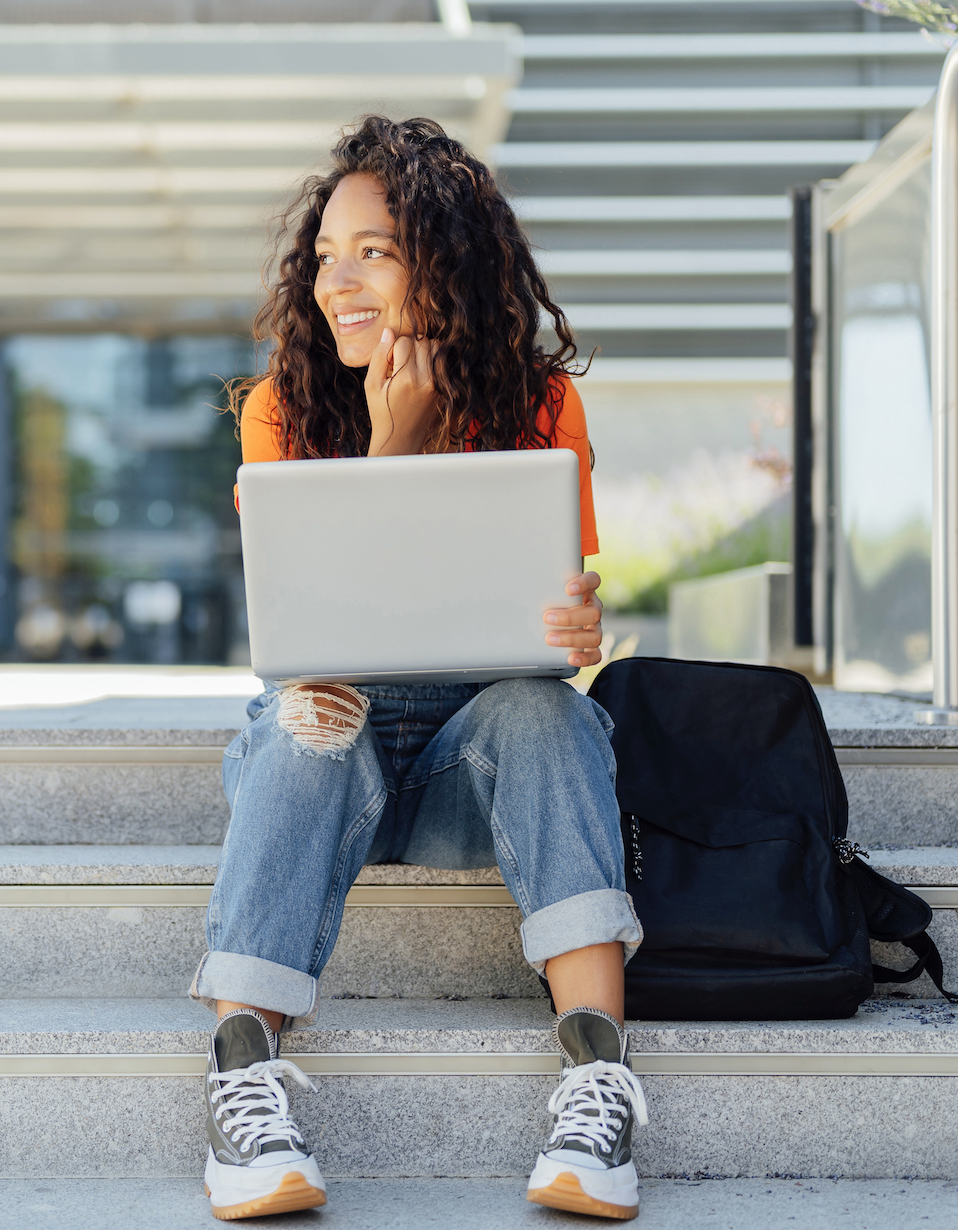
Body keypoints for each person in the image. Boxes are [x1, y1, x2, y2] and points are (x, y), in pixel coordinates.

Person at [195, 115, 646, 1222]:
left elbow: (557, 603)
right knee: (309, 713)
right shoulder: (282, 410)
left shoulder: (542, 407)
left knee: (545, 710)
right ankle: (243, 1085)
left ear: (443, 262)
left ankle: (599, 1089)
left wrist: (576, 623)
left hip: (465, 778)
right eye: (323, 258)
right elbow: (317, 630)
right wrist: (391, 442)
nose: (335, 283)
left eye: (373, 253)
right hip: (324, 766)